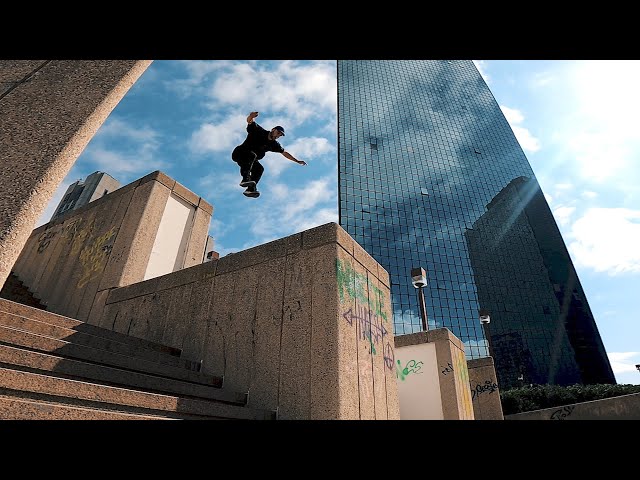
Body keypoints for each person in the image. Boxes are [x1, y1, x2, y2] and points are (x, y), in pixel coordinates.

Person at [232, 111, 307, 198]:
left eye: (280, 135)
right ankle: (245, 179)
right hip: (239, 153)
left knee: (259, 169)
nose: (278, 136)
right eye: (278, 133)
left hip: (248, 160)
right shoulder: (259, 131)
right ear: (273, 130)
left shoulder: (274, 144)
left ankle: (250, 189)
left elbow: (284, 153)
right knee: (252, 155)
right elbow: (250, 121)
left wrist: (297, 161)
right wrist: (251, 116)